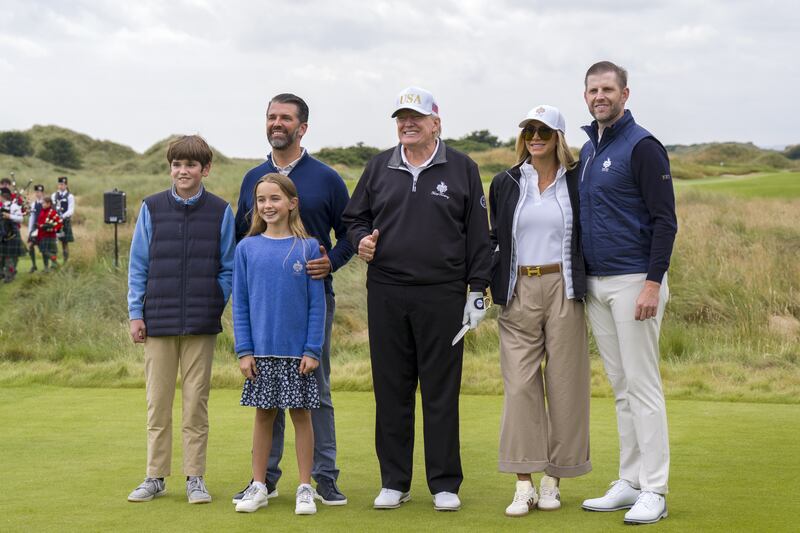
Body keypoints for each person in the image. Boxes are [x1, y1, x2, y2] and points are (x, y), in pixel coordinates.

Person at [342, 86, 492, 512]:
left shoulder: (462, 168)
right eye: (401, 118)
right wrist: (359, 242)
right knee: (392, 389)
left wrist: (477, 289)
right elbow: (355, 219)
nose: (407, 124)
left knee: (441, 391)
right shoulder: (377, 167)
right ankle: (395, 481)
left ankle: (444, 483)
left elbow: (479, 236)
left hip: (443, 293)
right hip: (387, 292)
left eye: (416, 117)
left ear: (435, 123)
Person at [232, 93, 354, 507]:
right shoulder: (254, 178)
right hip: (265, 307)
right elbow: (241, 239)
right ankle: (264, 479)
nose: (276, 123)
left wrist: (329, 263)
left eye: (285, 118)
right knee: (268, 397)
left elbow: (351, 232)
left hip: (310, 300)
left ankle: (322, 478)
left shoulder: (326, 178)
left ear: (302, 127)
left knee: (312, 391)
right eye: (271, 117)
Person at [577, 61, 677, 525]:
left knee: (643, 387)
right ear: (586, 96)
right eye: (593, 89)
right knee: (620, 388)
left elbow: (664, 220)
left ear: (625, 94)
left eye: (608, 89)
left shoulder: (643, 146)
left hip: (636, 280)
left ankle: (654, 489)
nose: (600, 96)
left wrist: (653, 282)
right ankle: (630, 480)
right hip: (597, 284)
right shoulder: (589, 148)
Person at [489, 105, 590, 517]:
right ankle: (524, 483)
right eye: (529, 130)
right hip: (518, 288)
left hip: (564, 286)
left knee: (566, 385)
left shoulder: (578, 181)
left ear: (558, 138)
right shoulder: (506, 182)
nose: (535, 136)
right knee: (519, 386)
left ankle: (554, 479)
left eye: (543, 131)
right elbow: (495, 238)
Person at [126, 135, 235, 504]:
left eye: (190, 165)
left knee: (195, 404)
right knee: (158, 404)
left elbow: (228, 267)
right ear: (170, 168)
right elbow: (138, 265)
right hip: (157, 322)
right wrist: (135, 314)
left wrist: (214, 301)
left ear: (205, 169)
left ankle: (195, 478)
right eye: (176, 165)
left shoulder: (221, 211)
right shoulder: (151, 207)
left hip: (201, 325)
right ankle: (155, 476)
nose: (182, 171)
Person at [232, 173, 325, 516]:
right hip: (260, 354)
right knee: (264, 415)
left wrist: (312, 349)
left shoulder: (308, 248)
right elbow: (239, 303)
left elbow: (318, 304)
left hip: (297, 354)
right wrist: (244, 351)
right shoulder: (246, 248)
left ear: (291, 203)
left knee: (302, 416)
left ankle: (305, 487)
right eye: (261, 200)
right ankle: (258, 485)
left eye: (275, 199)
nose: (268, 206)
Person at [0, 186, 25, 283]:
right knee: (4, 255)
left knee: (9, 256)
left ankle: (9, 276)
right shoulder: (2, 206)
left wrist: (9, 216)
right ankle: (6, 274)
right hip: (4, 234)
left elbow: (20, 218)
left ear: (3, 196)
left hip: (12, 234)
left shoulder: (13, 206)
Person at [33, 196, 62, 272]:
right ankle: (46, 268)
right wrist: (38, 225)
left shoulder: (52, 212)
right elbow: (41, 222)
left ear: (49, 204)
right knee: (43, 252)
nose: (43, 204)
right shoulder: (42, 211)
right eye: (42, 203)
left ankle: (54, 264)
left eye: (44, 203)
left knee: (48, 251)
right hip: (42, 234)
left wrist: (51, 228)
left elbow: (59, 224)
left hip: (50, 235)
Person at [52, 176, 75, 263]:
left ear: (66, 185)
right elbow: (52, 208)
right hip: (54, 221)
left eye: (62, 184)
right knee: (53, 242)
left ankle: (65, 262)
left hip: (65, 221)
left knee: (65, 243)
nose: (61, 186)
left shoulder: (70, 196)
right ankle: (54, 263)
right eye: (59, 184)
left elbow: (71, 210)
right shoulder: (54, 195)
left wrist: (62, 217)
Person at [27, 184, 45, 272]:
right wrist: (30, 230)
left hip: (43, 228)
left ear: (43, 192)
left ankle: (47, 266)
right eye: (37, 192)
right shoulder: (33, 204)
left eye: (40, 192)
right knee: (30, 246)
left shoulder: (46, 203)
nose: (38, 194)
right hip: (34, 228)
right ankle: (34, 265)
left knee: (43, 248)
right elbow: (32, 218)